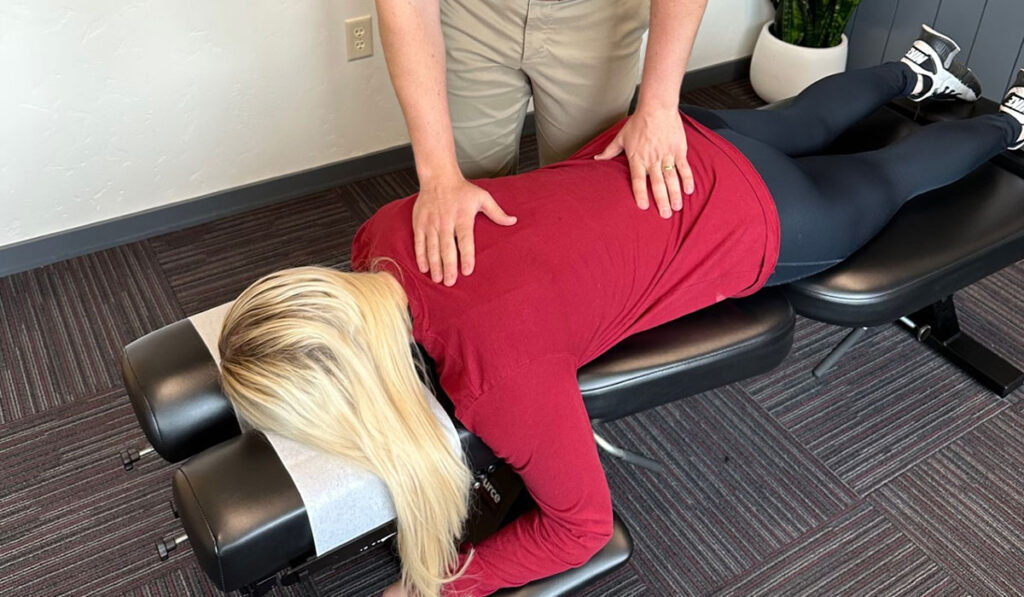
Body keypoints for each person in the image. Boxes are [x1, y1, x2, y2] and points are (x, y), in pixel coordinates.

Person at [218, 27, 1024, 597]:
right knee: (807, 120)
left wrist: (438, 592)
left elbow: (580, 528)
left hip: (755, 223)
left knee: (892, 177)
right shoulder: (385, 230)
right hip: (670, 142)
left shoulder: (494, 386)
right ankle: (916, 70)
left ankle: (1006, 122)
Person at [375, 0, 710, 288]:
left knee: (585, 208)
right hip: (471, 15)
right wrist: (438, 176)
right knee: (461, 216)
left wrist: (660, 105)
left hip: (598, 18)